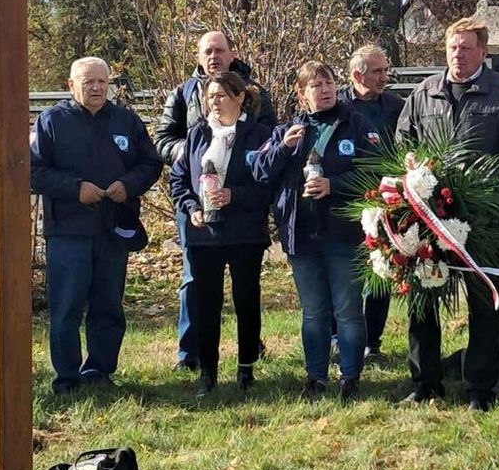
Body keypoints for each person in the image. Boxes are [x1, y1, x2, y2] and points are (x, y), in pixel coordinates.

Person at [396, 17, 499, 412]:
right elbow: (402, 143)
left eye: (467, 47)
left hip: (485, 216)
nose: (458, 54)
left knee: (483, 302)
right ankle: (425, 383)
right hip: (431, 214)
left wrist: (486, 170)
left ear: (483, 51)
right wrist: (409, 162)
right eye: (453, 47)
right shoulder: (424, 94)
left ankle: (480, 388)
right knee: (421, 299)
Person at [30, 57, 162, 394]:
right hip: (68, 231)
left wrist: (128, 185)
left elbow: (150, 163)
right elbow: (34, 170)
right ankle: (67, 378)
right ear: (70, 85)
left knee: (108, 305)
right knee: (66, 308)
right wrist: (76, 189)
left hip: (112, 230)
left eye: (102, 82)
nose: (97, 88)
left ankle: (100, 372)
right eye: (88, 82)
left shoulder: (126, 121)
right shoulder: (51, 122)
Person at [153, 31, 277, 372]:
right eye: (207, 51)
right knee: (196, 284)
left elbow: (270, 150)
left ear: (232, 53)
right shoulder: (182, 93)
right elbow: (162, 138)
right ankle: (192, 355)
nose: (213, 56)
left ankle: (247, 358)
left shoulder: (256, 95)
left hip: (243, 220)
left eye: (219, 50)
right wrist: (188, 158)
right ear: (198, 56)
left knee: (245, 293)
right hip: (198, 212)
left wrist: (236, 184)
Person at [252, 61, 375, 401]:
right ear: (301, 93)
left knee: (348, 309)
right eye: (316, 85)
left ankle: (350, 377)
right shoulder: (287, 130)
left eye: (329, 83)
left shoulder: (356, 125)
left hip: (344, 235)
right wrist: (284, 149)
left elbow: (376, 172)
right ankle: (316, 377)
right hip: (301, 236)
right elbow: (260, 172)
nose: (325, 90)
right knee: (314, 311)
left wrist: (333, 184)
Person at [169, 72, 273, 398]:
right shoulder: (197, 134)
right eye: (209, 97)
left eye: (221, 96)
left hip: (244, 233)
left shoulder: (260, 135)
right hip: (204, 234)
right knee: (206, 302)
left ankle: (246, 368)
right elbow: (179, 181)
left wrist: (234, 195)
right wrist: (191, 208)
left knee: (245, 299)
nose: (214, 102)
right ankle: (208, 373)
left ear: (240, 97)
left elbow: (267, 184)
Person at [337, 44, 404, 360]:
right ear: (356, 75)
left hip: (383, 203)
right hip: (341, 200)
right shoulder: (336, 105)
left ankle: (371, 342)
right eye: (377, 71)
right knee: (344, 273)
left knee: (381, 272)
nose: (384, 77)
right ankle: (340, 339)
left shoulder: (396, 107)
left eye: (385, 70)